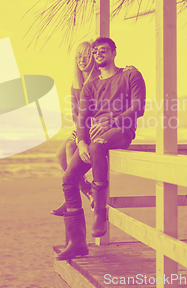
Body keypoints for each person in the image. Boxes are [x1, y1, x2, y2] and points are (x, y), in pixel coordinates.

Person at [56, 37, 146, 261]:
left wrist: (111, 121)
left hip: (121, 130)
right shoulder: (89, 86)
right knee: (68, 178)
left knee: (99, 145)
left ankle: (99, 210)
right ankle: (77, 243)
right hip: (93, 136)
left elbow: (139, 106)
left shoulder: (129, 75)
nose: (98, 53)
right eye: (95, 51)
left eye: (104, 50)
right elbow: (83, 118)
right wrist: (81, 142)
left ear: (114, 52)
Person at [51, 41, 99, 216]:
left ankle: (70, 197)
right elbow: (75, 114)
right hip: (82, 128)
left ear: (93, 58)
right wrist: (77, 130)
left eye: (85, 56)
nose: (81, 60)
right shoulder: (76, 84)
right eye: (78, 56)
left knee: (71, 147)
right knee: (59, 154)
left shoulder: (99, 81)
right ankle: (86, 190)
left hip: (96, 129)